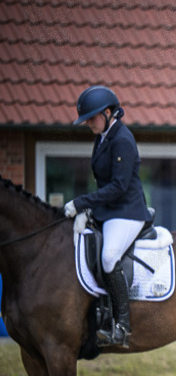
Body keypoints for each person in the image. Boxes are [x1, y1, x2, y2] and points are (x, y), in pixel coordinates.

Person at [64, 85, 151, 348]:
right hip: (110, 210)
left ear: (108, 112)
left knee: (109, 256)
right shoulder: (102, 137)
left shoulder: (122, 139)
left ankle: (122, 324)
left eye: (92, 117)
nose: (88, 123)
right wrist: (91, 210)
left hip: (127, 212)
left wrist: (82, 203)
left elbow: (118, 187)